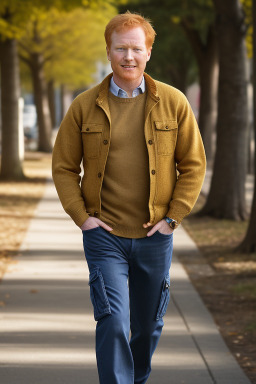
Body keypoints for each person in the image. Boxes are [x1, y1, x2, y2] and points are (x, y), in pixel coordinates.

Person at [52, 11, 206, 384]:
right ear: (108, 51)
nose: (128, 56)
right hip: (104, 236)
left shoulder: (174, 102)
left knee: (149, 326)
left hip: (156, 236)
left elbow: (194, 165)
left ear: (148, 52)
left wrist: (172, 219)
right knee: (113, 319)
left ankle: (135, 378)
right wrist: (83, 218)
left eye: (136, 48)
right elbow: (63, 167)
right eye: (121, 48)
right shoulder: (84, 106)